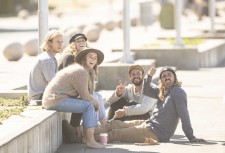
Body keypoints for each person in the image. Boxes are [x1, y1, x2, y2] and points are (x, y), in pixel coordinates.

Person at [62, 66, 206, 144]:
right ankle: (78, 131)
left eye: (169, 75)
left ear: (175, 78)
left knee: (115, 134)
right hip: (149, 123)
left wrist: (191, 136)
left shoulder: (178, 92)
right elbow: (147, 89)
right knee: (114, 124)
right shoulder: (163, 92)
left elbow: (184, 115)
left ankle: (78, 138)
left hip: (156, 132)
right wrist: (149, 76)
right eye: (163, 76)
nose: (166, 77)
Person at [42, 48, 105, 148]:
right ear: (84, 58)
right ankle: (90, 140)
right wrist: (96, 103)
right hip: (54, 100)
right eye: (90, 56)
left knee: (89, 103)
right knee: (88, 105)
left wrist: (92, 76)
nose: (93, 59)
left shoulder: (85, 70)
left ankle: (86, 137)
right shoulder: (81, 71)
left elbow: (90, 93)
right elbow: (86, 96)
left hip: (56, 99)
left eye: (95, 57)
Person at [58, 33, 107, 127]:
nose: (81, 43)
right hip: (65, 91)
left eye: (83, 41)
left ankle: (103, 124)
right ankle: (92, 125)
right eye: (78, 41)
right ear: (73, 44)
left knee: (98, 96)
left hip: (76, 89)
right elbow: (70, 78)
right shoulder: (70, 57)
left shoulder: (86, 57)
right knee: (90, 98)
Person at [28, 29, 64, 105]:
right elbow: (53, 85)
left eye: (61, 42)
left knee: (83, 100)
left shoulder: (50, 58)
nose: (60, 45)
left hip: (44, 95)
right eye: (58, 42)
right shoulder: (48, 60)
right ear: (49, 43)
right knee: (86, 104)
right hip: (40, 98)